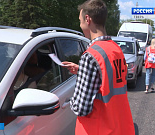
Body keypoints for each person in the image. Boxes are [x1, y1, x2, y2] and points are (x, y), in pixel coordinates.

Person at [62, 0, 135, 134]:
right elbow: (110, 79)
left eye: (80, 20)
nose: (80, 24)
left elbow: (80, 108)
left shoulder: (90, 56)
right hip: (118, 126)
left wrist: (68, 102)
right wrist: (82, 70)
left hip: (98, 129)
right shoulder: (116, 49)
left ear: (87, 19)